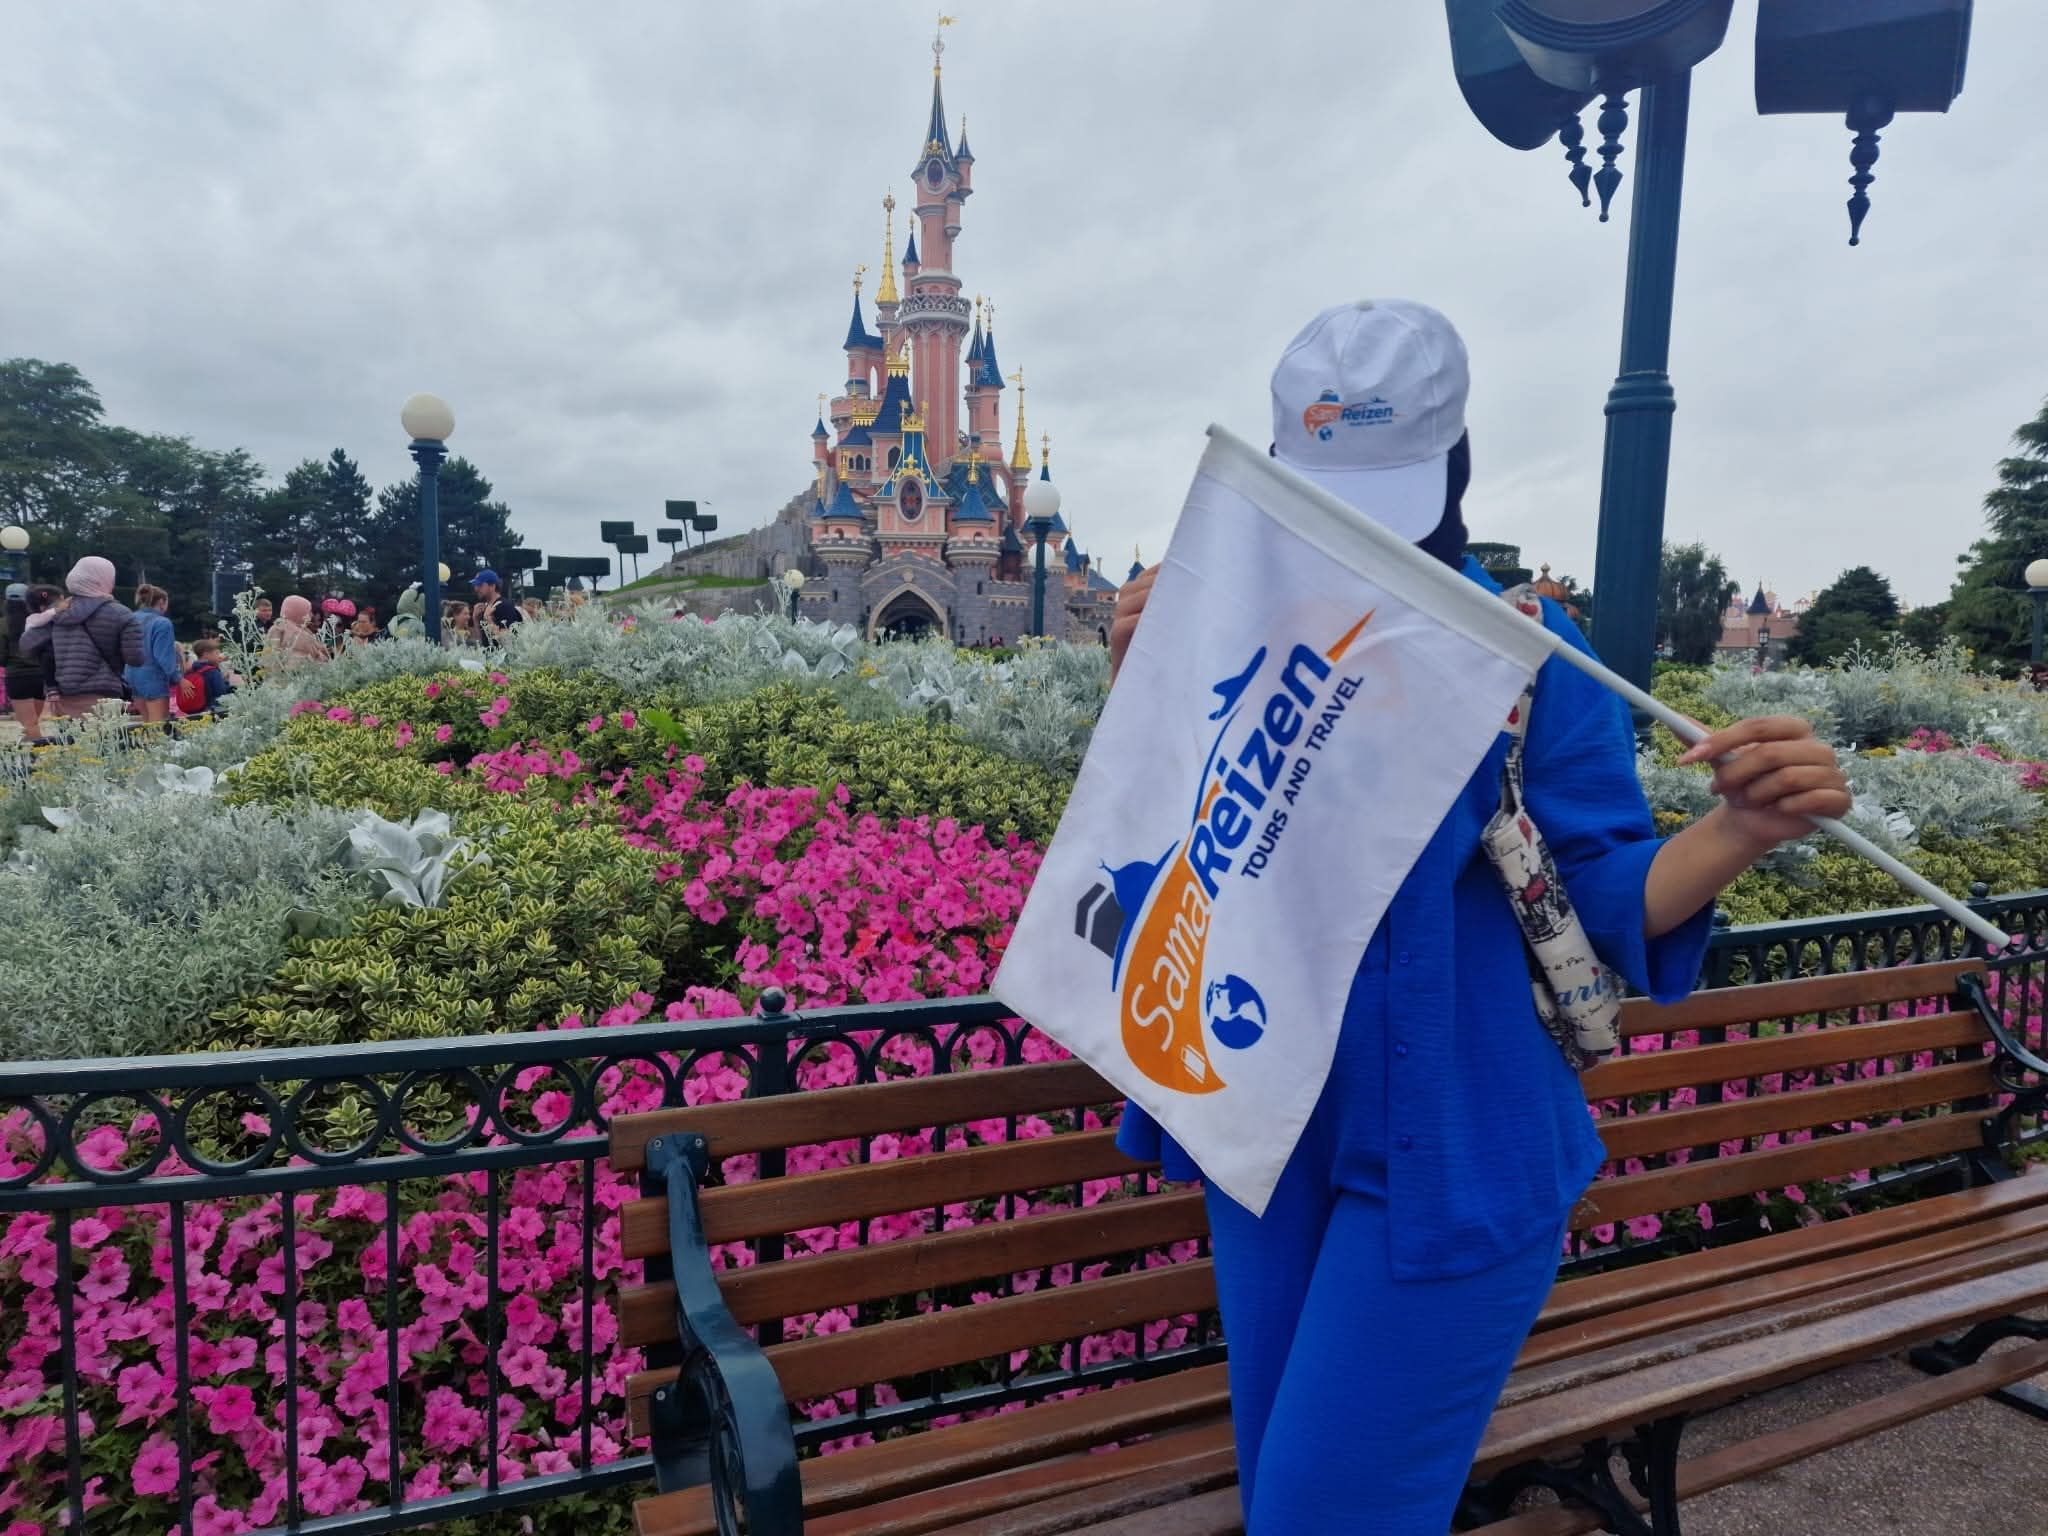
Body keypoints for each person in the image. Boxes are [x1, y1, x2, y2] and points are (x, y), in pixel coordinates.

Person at [1106, 301, 1853, 1535]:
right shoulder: (1217, 617)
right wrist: (1133, 692)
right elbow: (1170, 864)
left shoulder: (1522, 649)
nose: (1356, 535)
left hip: (1456, 1143)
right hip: (1258, 1129)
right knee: (1286, 1499)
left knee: (1321, 1516)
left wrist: (1739, 830)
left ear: (1452, 470)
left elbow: (1600, 896)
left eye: (1386, 499)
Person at [19, 557, 142, 719]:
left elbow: (27, 646)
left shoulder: (58, 611)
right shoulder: (121, 613)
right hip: (104, 692)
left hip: (62, 695)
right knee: (104, 735)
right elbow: (135, 658)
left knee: (71, 735)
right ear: (104, 579)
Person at [3, 583, 59, 737]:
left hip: (16, 677)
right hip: (40, 676)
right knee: (33, 722)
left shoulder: (2, 625)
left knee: (29, 724)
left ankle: (37, 750)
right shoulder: (39, 622)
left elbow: (1, 657)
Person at [124, 583, 181, 725]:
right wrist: (178, 678)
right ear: (161, 602)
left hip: (132, 675)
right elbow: (163, 656)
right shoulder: (162, 623)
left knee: (146, 724)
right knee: (157, 727)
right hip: (153, 678)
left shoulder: (129, 619)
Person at [263, 594, 330, 671]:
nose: (311, 615)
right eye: (308, 611)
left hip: (272, 676)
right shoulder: (300, 634)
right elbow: (315, 661)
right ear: (299, 612)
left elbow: (267, 659)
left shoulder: (276, 627)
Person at [174, 637, 234, 715]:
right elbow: (221, 692)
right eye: (216, 653)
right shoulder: (212, 671)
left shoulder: (190, 670)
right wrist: (229, 684)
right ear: (206, 654)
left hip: (193, 711)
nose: (218, 656)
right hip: (213, 709)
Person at [470, 570, 523, 638]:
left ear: (492, 585)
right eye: (475, 585)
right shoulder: (485, 608)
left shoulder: (504, 606)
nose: (476, 588)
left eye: (480, 585)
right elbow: (481, 641)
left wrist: (489, 621)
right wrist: (475, 619)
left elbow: (509, 640)